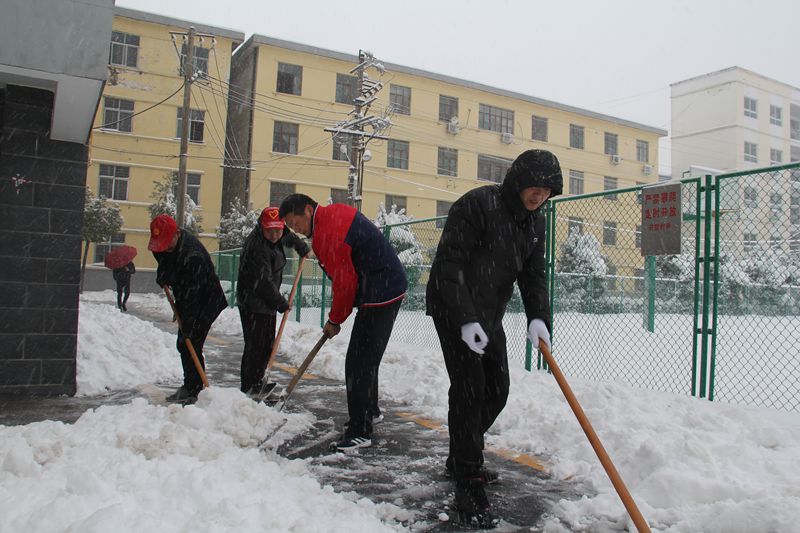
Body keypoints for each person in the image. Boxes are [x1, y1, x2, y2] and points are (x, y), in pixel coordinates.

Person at [426, 149, 562, 527]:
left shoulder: (535, 224)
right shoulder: (477, 205)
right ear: (518, 181)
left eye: (546, 190)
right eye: (533, 187)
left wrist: (538, 317)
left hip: (490, 314)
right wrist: (465, 318)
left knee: (497, 390)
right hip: (454, 308)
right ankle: (468, 480)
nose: (538, 195)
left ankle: (461, 453)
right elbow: (449, 264)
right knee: (470, 389)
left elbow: (533, 276)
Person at [279, 194, 407, 451]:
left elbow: (345, 283)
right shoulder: (331, 216)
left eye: (296, 223)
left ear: (307, 209)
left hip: (380, 290)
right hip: (384, 286)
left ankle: (360, 431)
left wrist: (335, 320)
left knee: (358, 362)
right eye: (291, 228)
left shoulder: (328, 232)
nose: (297, 230)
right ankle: (369, 411)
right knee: (366, 359)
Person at [148, 214, 228, 404]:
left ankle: (195, 390)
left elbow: (192, 297)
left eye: (167, 243)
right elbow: (162, 257)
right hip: (188, 295)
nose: (165, 247)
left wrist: (188, 325)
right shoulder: (166, 245)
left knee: (191, 342)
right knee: (184, 343)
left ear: (177, 233)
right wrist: (163, 274)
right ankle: (191, 385)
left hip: (207, 301)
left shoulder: (193, 257)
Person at [237, 206, 310, 395]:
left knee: (267, 343)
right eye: (270, 230)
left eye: (278, 229)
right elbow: (262, 282)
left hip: (266, 300)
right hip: (253, 301)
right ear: (262, 227)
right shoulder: (257, 247)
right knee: (256, 345)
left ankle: (259, 381)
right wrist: (281, 303)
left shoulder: (279, 232)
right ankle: (250, 386)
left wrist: (301, 246)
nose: (275, 234)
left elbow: (287, 235)